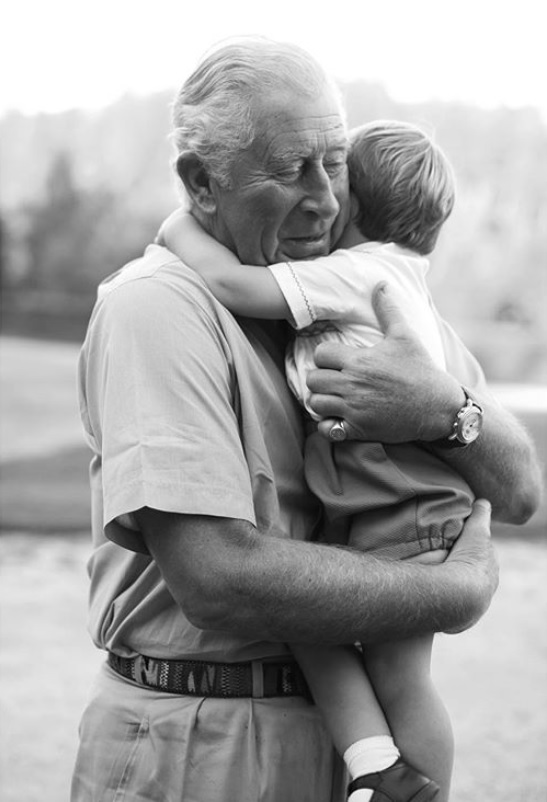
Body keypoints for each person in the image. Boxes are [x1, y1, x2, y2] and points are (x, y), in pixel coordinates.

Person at [71, 37, 540, 802]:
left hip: (339, 731)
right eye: (292, 169)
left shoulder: (353, 293)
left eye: (335, 164)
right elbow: (220, 579)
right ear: (202, 182)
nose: (325, 198)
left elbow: (519, 491)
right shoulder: (156, 307)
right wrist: (452, 592)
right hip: (199, 738)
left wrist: (445, 410)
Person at [158, 118, 475, 801]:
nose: (318, 196)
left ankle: (424, 789)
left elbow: (236, 287)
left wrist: (180, 226)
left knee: (399, 671)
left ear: (351, 203)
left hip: (403, 500)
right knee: (305, 626)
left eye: (333, 177)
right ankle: (376, 768)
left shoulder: (360, 273)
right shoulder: (393, 274)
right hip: (373, 497)